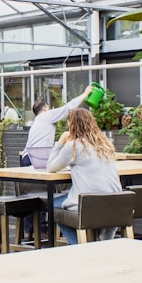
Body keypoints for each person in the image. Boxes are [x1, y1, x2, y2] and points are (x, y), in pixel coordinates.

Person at [19, 84, 92, 240]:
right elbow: (68, 108)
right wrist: (85, 94)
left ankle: (28, 232)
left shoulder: (37, 122)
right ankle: (43, 232)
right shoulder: (46, 116)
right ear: (46, 109)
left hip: (27, 157)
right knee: (44, 195)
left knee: (31, 196)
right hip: (35, 159)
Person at [46, 107, 122, 244]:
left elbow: (51, 167)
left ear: (72, 126)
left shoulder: (74, 146)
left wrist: (60, 142)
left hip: (88, 204)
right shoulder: (105, 144)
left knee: (52, 206)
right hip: (116, 204)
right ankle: (96, 242)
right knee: (67, 200)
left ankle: (79, 246)